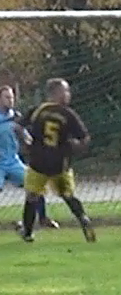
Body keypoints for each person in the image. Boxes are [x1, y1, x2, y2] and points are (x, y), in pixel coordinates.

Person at [17, 78, 95, 243]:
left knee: (32, 196)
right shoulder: (68, 114)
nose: (68, 95)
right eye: (65, 91)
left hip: (38, 161)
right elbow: (85, 137)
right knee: (68, 195)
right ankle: (83, 218)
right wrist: (77, 147)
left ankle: (28, 232)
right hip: (60, 163)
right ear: (56, 93)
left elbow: (18, 127)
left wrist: (26, 141)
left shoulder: (37, 110)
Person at [0, 86, 57, 231]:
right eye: (7, 97)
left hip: (13, 161)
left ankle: (42, 219)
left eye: (12, 97)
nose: (10, 100)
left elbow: (27, 139)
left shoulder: (17, 117)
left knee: (36, 185)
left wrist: (30, 142)